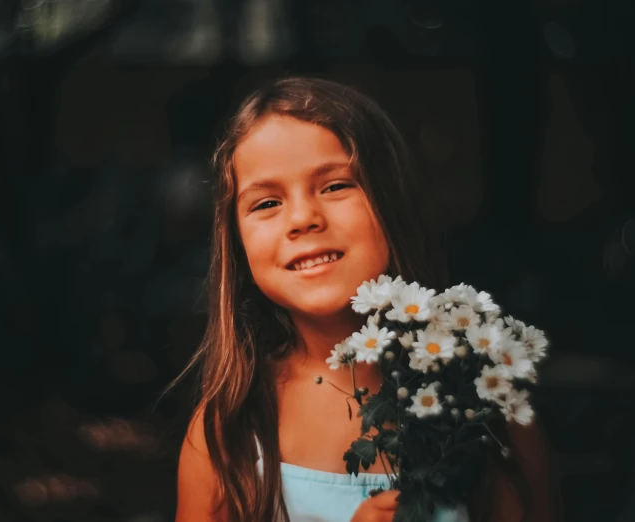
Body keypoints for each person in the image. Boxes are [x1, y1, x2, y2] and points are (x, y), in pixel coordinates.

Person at [172, 77, 560, 522]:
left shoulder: (484, 407)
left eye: (335, 186)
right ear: (237, 244)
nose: (302, 218)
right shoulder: (228, 432)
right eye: (266, 203)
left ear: (392, 200)